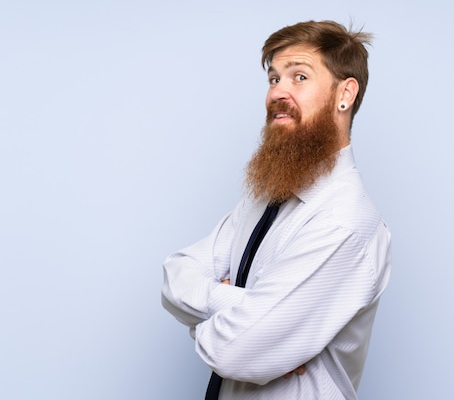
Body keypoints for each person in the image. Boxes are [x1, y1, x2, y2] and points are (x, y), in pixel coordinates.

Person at [162, 20, 392, 399]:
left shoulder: (345, 223)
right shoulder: (266, 197)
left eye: (299, 77)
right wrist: (244, 307)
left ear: (345, 94)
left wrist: (238, 322)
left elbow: (233, 351)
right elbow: (174, 276)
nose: (277, 93)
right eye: (273, 79)